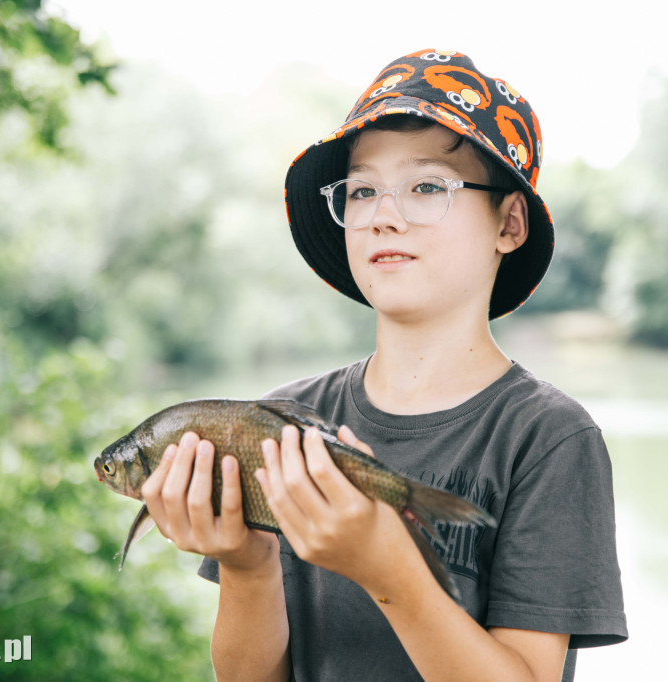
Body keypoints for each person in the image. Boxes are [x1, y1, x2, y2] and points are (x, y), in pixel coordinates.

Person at [140, 48, 627, 682]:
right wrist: (246, 563)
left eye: (427, 186)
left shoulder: (547, 437)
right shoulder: (286, 418)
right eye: (363, 189)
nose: (384, 216)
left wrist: (388, 568)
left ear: (509, 223)